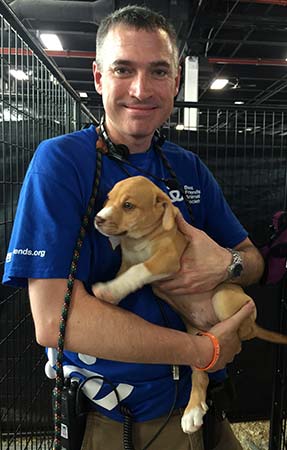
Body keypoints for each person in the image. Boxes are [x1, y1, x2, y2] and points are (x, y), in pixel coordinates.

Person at [2, 5, 264, 450]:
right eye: (124, 69)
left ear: (176, 82)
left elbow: (254, 262)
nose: (141, 89)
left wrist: (226, 264)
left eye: (158, 71)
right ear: (100, 77)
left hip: (204, 401)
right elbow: (52, 322)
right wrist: (202, 351)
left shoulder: (187, 168)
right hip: (124, 420)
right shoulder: (62, 163)